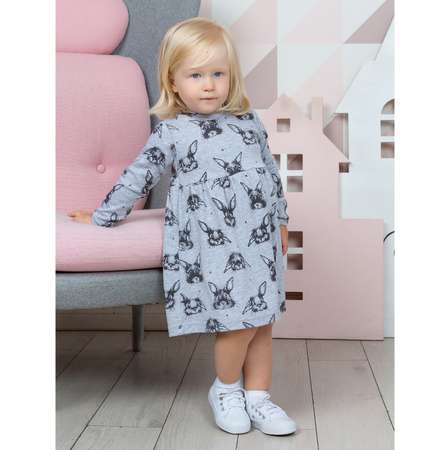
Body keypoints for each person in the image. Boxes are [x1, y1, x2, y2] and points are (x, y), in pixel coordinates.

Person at [68, 17, 297, 436]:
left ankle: (259, 397)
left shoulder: (248, 122)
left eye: (218, 74)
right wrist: (102, 216)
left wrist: (281, 220)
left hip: (259, 238)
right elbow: (138, 176)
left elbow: (270, 174)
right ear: (173, 82)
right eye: (196, 75)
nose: (209, 85)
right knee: (236, 321)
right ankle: (226, 389)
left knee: (262, 320)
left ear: (231, 76)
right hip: (214, 242)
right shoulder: (173, 131)